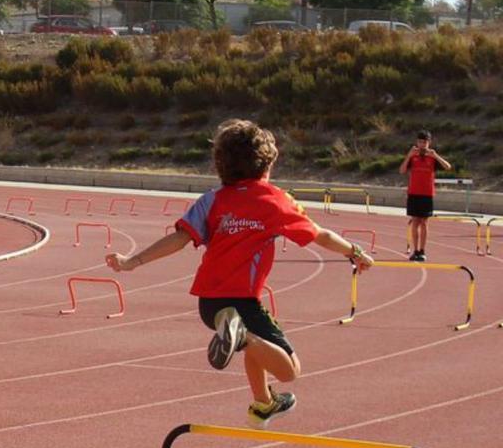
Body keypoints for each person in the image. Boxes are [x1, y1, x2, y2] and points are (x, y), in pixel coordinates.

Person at [107, 119, 373, 428]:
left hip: (209, 305)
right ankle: (241, 335)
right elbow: (320, 235)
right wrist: (354, 252)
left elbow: (179, 238)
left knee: (254, 347)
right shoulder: (275, 200)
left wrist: (132, 261)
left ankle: (263, 404)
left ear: (221, 163)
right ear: (267, 164)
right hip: (242, 302)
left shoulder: (212, 200)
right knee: (290, 370)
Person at [399, 130, 450, 261]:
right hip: (414, 193)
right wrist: (408, 155)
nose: (422, 144)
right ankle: (415, 250)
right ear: (417, 142)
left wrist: (436, 156)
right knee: (415, 221)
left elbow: (448, 167)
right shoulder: (413, 156)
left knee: (424, 222)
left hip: (427, 194)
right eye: (420, 142)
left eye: (425, 142)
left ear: (429, 142)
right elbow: (402, 170)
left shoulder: (432, 157)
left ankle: (422, 250)